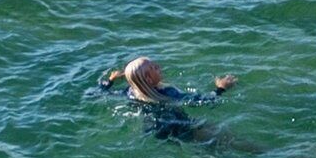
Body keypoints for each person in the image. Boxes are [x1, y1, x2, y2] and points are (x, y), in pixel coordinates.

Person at [102, 55, 237, 141]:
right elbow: (202, 101)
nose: (158, 67)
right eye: (154, 67)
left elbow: (102, 92)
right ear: (149, 79)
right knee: (224, 138)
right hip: (179, 126)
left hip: (154, 130)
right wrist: (221, 88)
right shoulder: (167, 92)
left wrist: (111, 80)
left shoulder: (130, 92)